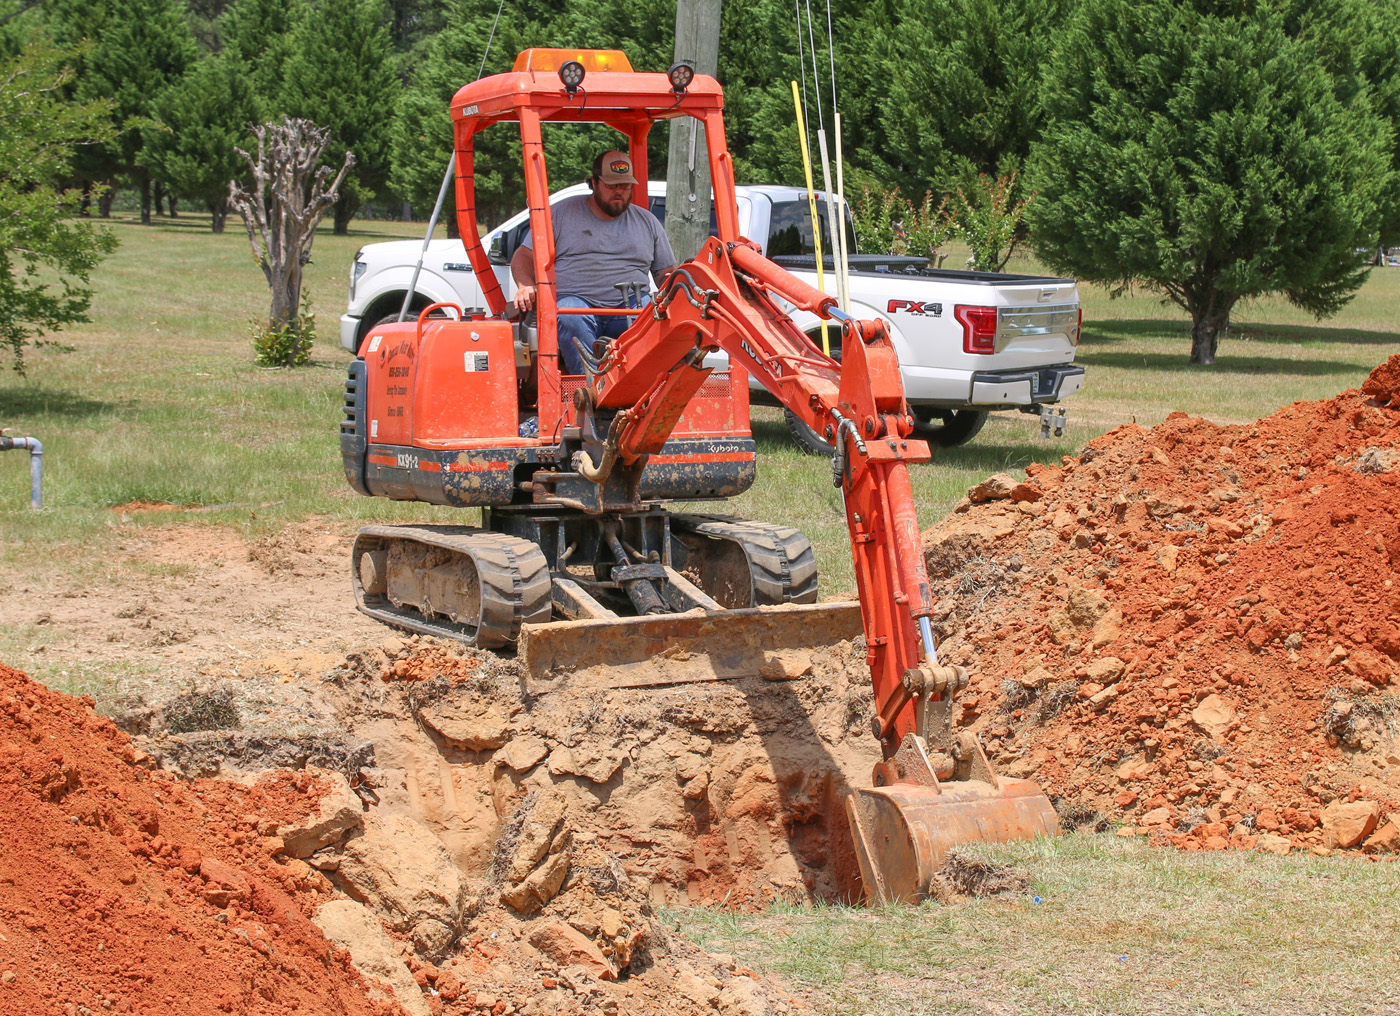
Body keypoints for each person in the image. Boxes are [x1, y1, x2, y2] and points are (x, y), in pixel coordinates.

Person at [511, 150, 676, 374]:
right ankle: (589, 386)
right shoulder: (561, 214)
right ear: (594, 183)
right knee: (570, 315)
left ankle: (646, 386)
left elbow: (665, 273)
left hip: (630, 306)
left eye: (625, 186)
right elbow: (524, 256)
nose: (619, 192)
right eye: (611, 185)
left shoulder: (647, 222)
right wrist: (525, 285)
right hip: (577, 303)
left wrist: (677, 290)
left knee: (656, 317)